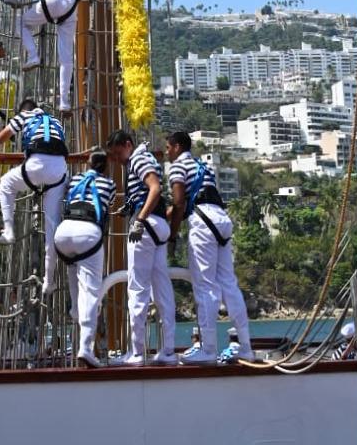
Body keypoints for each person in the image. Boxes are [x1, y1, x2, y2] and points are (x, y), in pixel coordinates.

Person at [166, 131, 251, 364]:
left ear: (176, 146)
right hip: (221, 219)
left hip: (202, 222)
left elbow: (179, 202)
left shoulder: (177, 167)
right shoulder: (203, 166)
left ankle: (208, 349)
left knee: (205, 286)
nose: (166, 152)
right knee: (229, 284)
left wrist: (172, 237)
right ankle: (246, 347)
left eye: (167, 147)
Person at [0, 98, 70, 295]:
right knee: (52, 229)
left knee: (5, 185)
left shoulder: (24, 115)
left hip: (36, 164)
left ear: (23, 110)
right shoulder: (55, 121)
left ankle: (9, 230)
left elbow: (1, 138)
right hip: (59, 171)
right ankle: (49, 281)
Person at [106, 129, 176, 366]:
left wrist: (138, 220)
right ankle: (168, 350)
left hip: (145, 227)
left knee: (137, 289)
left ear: (128, 144)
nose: (118, 160)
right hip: (158, 227)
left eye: (118, 154)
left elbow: (154, 189)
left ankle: (136, 353)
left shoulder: (137, 158)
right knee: (162, 290)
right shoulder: (142, 159)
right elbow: (148, 192)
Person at [54, 150, 116, 366]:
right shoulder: (110, 184)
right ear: (105, 166)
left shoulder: (74, 180)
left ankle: (75, 314)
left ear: (88, 163)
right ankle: (86, 348)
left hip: (63, 233)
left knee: (76, 290)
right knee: (90, 292)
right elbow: (107, 208)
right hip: (88, 233)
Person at [19, 0, 80, 112]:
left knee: (21, 22)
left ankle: (33, 55)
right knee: (66, 57)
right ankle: (64, 102)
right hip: (71, 2)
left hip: (49, 0)